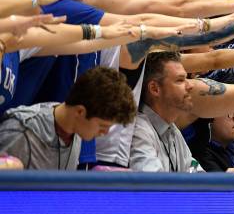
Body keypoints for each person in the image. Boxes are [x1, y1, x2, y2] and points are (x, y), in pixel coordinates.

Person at [0, 67, 136, 170]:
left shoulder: (76, 132)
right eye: (102, 126)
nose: (105, 133)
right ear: (80, 111)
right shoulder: (20, 133)